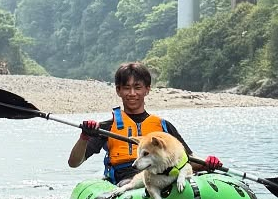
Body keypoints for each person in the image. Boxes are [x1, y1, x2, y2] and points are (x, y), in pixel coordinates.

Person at [67, 61, 224, 184]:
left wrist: (207, 163)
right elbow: (74, 163)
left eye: (137, 87)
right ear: (118, 91)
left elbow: (187, 159)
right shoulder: (106, 128)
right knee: (133, 184)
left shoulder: (163, 126)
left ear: (147, 90)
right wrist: (84, 136)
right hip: (127, 180)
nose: (132, 93)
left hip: (161, 177)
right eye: (126, 88)